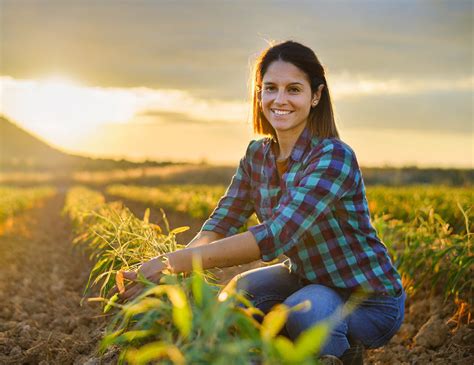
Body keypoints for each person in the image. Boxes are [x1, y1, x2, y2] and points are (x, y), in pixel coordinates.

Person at [119, 40, 406, 365]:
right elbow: (222, 221)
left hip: (368, 299)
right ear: (259, 94)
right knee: (239, 294)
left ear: (315, 96)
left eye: (293, 89)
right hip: (307, 275)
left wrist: (171, 262)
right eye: (271, 88)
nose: (280, 99)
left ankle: (340, 355)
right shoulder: (258, 155)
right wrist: (175, 273)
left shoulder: (333, 156)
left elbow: (276, 234)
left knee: (305, 309)